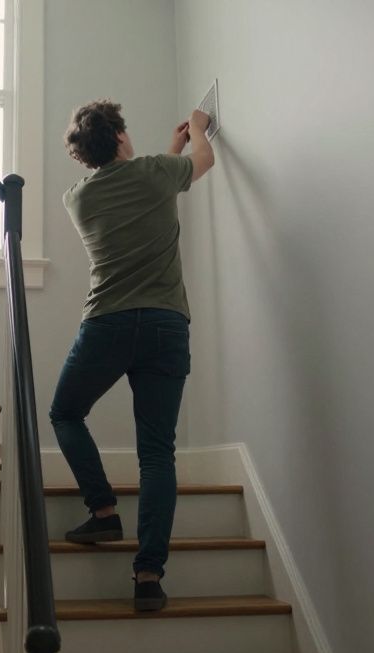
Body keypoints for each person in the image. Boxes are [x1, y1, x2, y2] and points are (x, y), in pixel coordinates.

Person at [50, 99, 214, 612]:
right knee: (156, 453)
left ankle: (102, 510)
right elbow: (199, 165)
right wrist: (200, 131)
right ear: (121, 136)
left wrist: (173, 147)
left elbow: (148, 181)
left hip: (108, 324)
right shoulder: (156, 174)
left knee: (65, 413)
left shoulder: (76, 198)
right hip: (166, 326)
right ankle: (148, 575)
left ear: (84, 155)